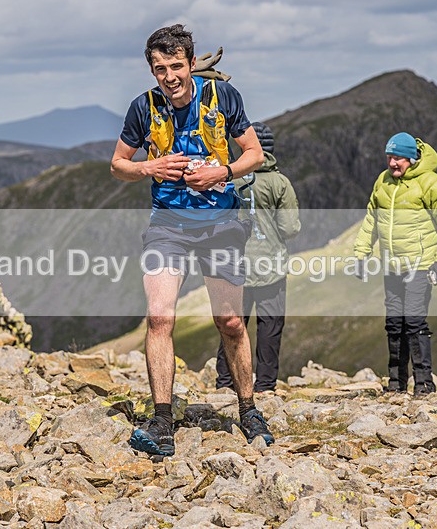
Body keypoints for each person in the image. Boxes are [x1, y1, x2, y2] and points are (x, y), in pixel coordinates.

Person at [110, 24, 274, 456]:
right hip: (167, 225)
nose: (169, 77)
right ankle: (162, 420)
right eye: (160, 69)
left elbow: (255, 154)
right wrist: (147, 168)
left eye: (176, 66)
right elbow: (118, 164)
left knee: (230, 321)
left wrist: (222, 172)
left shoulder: (222, 97)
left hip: (221, 224)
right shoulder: (143, 107)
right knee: (159, 318)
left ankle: (248, 409)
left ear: (191, 63)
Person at [353, 132, 437, 396]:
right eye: (389, 157)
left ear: (412, 158)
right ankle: (396, 383)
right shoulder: (383, 181)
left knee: (413, 321)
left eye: (398, 158)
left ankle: (424, 383)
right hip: (392, 266)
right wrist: (361, 254)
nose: (392, 163)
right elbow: (371, 220)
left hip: (420, 265)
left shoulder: (430, 183)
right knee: (394, 323)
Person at [215, 122, 301, 393]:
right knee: (270, 326)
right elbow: (290, 228)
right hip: (270, 267)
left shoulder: (230, 180)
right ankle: (264, 385)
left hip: (235, 266)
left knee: (232, 324)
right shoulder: (280, 183)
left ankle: (225, 383)